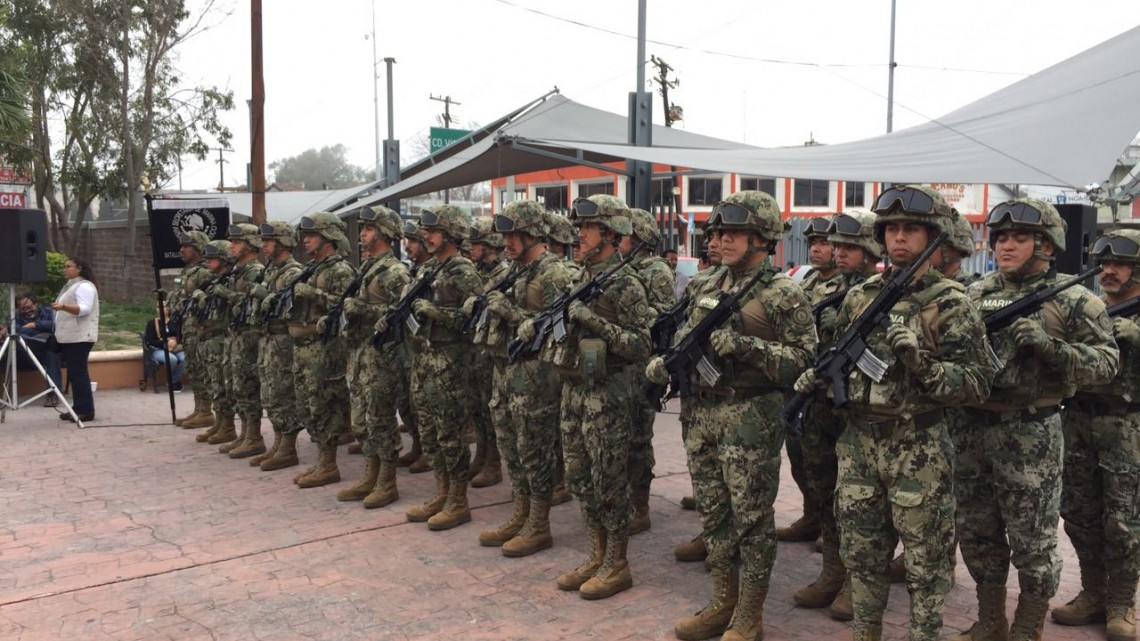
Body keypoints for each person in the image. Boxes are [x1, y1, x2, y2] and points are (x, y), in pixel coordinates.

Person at [798, 185, 995, 641]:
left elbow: (976, 383)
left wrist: (920, 363)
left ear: (934, 237)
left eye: (911, 229)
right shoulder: (861, 295)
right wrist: (823, 378)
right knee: (863, 557)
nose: (899, 238)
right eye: (892, 229)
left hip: (918, 447)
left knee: (926, 565)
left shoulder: (951, 302)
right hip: (859, 443)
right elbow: (846, 360)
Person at [647, 191, 816, 641]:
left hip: (750, 419)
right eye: (716, 232)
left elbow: (805, 362)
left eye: (731, 233)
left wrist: (749, 348)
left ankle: (749, 613)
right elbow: (684, 336)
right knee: (714, 514)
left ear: (761, 238)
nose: (718, 240)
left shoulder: (784, 294)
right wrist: (665, 363)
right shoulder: (706, 284)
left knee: (751, 519)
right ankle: (722, 600)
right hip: (702, 415)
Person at [953, 198, 1118, 641]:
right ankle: (990, 621)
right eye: (1001, 237)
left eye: (1019, 237)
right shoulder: (975, 292)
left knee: (1033, 542)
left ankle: (1028, 626)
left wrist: (1051, 348)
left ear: (1045, 244)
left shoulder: (1075, 299)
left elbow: (1106, 364)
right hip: (970, 430)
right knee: (976, 532)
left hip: (1030, 433)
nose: (1007, 245)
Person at [548, 194, 651, 600]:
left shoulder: (625, 283)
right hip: (574, 388)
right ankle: (596, 554)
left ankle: (617, 563)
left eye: (586, 229)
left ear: (609, 234)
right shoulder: (577, 277)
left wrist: (595, 323)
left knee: (609, 479)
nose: (579, 236)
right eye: (578, 229)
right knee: (579, 476)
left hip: (608, 393)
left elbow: (640, 345)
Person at [1050, 228, 1140, 641]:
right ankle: (1093, 592)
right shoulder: (1089, 309)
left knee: (1123, 520)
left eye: (1119, 263)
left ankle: (1122, 602)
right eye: (1104, 264)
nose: (1109, 270)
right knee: (1079, 513)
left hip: (1127, 425)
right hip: (1079, 420)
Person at [476, 199, 571, 557]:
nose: (508, 242)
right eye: (506, 235)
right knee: (512, 449)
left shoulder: (554, 273)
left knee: (535, 451)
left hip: (536, 375)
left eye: (515, 235)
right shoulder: (510, 270)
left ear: (534, 234)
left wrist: (510, 312)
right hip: (506, 373)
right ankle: (520, 514)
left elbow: (558, 330)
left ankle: (538, 524)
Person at [398, 205, 483, 530]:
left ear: (450, 235)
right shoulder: (428, 269)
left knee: (450, 433)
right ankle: (441, 491)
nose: (427, 237)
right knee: (430, 431)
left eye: (433, 232)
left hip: (451, 363)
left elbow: (474, 318)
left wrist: (436, 313)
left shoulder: (463, 272)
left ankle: (458, 500)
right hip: (424, 361)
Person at [329, 205, 410, 508]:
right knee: (362, 419)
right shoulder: (367, 268)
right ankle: (370, 475)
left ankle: (386, 482)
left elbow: (401, 317)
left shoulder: (395, 272)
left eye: (369, 229)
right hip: (361, 354)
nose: (362, 234)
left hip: (382, 356)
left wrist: (364, 310)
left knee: (380, 418)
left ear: (385, 233)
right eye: (362, 228)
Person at [780, 217, 837, 548]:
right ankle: (811, 516)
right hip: (800, 386)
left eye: (824, 243)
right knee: (800, 458)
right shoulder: (806, 281)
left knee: (826, 464)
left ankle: (831, 526)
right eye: (813, 242)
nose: (816, 248)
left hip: (828, 389)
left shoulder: (850, 286)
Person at [288, 213, 356, 488]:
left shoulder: (341, 270)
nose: (305, 240)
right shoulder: (313, 268)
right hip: (304, 347)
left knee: (323, 405)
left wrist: (313, 294)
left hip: (325, 349)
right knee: (307, 406)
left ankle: (328, 465)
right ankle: (321, 461)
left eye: (312, 235)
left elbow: (346, 309)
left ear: (328, 238)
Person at [622, 209, 676, 536]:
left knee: (638, 438)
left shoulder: (655, 270)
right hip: (624, 361)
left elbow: (665, 315)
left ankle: (640, 507)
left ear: (640, 237)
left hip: (644, 362)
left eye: (625, 235)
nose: (618, 240)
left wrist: (630, 313)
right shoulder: (622, 267)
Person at [250, 221, 304, 472]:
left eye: (269, 241)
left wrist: (268, 300)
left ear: (283, 242)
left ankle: (288, 447)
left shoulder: (293, 272)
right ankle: (278, 442)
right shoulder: (272, 271)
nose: (264, 245)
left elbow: (292, 309)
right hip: (268, 340)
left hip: (282, 341)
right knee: (269, 394)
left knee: (282, 394)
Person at [214, 224, 266, 458]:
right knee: (236, 386)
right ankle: (244, 434)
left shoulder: (255, 270)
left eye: (237, 242)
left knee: (247, 385)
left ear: (250, 244)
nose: (232, 246)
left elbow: (251, 304)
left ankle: (253, 436)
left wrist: (228, 295)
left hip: (248, 336)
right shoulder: (237, 271)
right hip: (234, 334)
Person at [466, 218, 509, 488]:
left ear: (491, 245)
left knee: (492, 408)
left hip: (493, 351)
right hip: (475, 348)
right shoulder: (475, 273)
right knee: (477, 407)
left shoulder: (504, 275)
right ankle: (481, 454)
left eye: (477, 243)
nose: (471, 248)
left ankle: (493, 463)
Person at [171, 231, 215, 429]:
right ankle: (199, 408)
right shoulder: (188, 270)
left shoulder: (204, 272)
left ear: (198, 249)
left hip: (199, 328)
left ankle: (206, 410)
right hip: (187, 326)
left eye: (187, 246)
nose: (182, 250)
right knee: (194, 369)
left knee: (202, 369)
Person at [51, 256, 100, 422]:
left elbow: (84, 309)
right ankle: (77, 408)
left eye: (68, 266)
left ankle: (86, 411)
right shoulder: (71, 285)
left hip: (80, 337)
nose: (65, 269)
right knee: (75, 373)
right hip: (69, 337)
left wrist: (64, 307)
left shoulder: (84, 286)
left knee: (78, 373)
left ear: (79, 268)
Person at [9, 293, 63, 404]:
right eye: (23, 308)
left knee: (51, 354)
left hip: (47, 350)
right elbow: (17, 332)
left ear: (36, 304)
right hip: (26, 353)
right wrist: (42, 328)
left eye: (29, 307)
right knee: (23, 338)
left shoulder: (48, 312)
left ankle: (53, 394)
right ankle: (54, 394)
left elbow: (56, 325)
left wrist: (34, 325)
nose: (27, 310)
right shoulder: (15, 317)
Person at [144, 305, 184, 391]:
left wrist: (176, 342)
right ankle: (174, 383)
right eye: (158, 307)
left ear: (168, 309)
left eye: (164, 306)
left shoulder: (175, 322)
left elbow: (181, 336)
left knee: (185, 358)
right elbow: (151, 340)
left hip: (176, 348)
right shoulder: (151, 323)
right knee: (172, 359)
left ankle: (172, 381)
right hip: (158, 349)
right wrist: (166, 343)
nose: (160, 309)